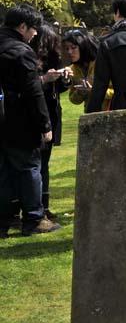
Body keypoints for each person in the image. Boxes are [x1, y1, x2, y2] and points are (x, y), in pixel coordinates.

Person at [0, 4, 60, 236]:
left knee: (4, 171)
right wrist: (45, 124)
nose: (35, 33)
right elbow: (33, 92)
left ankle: (4, 220)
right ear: (23, 26)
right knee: (29, 168)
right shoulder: (21, 51)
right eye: (33, 28)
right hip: (20, 122)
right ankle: (34, 218)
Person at [30, 24, 68, 220]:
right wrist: (45, 79)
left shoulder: (53, 59)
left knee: (44, 163)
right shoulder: (31, 61)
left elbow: (58, 89)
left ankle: (43, 205)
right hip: (37, 116)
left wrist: (64, 79)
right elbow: (32, 89)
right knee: (36, 163)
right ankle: (34, 207)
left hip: (51, 114)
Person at [63, 29, 113, 112]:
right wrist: (80, 92)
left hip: (110, 114)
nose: (69, 52)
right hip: (90, 115)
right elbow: (73, 100)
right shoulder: (73, 69)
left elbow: (118, 92)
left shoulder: (103, 64)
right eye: (67, 49)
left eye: (73, 47)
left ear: (84, 46)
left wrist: (94, 91)